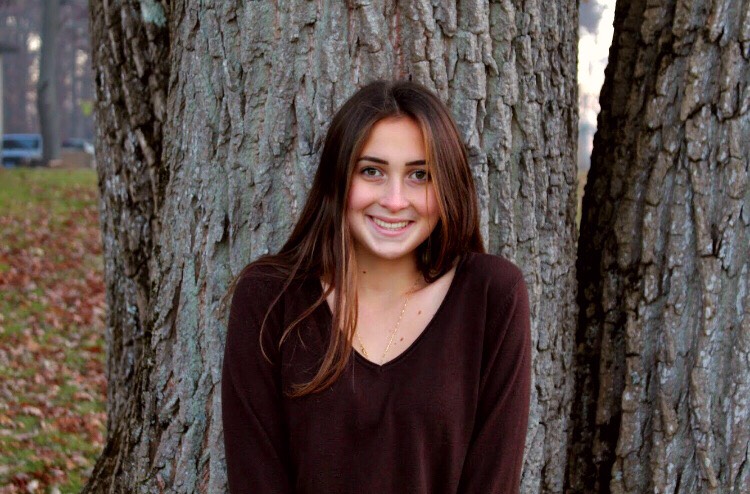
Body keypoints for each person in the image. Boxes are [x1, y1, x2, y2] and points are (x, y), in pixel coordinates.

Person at [221, 80, 531, 493]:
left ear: (447, 187)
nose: (395, 200)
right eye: (372, 171)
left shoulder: (492, 297)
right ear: (338, 179)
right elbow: (255, 480)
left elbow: (494, 480)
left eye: (420, 175)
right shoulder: (269, 299)